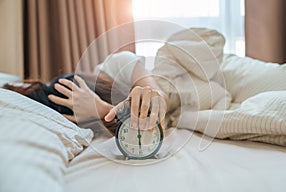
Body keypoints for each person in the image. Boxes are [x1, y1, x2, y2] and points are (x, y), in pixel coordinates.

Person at [3, 51, 169, 135]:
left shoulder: (119, 63)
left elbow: (159, 104)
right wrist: (103, 111)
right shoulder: (93, 127)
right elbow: (150, 132)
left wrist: (102, 110)